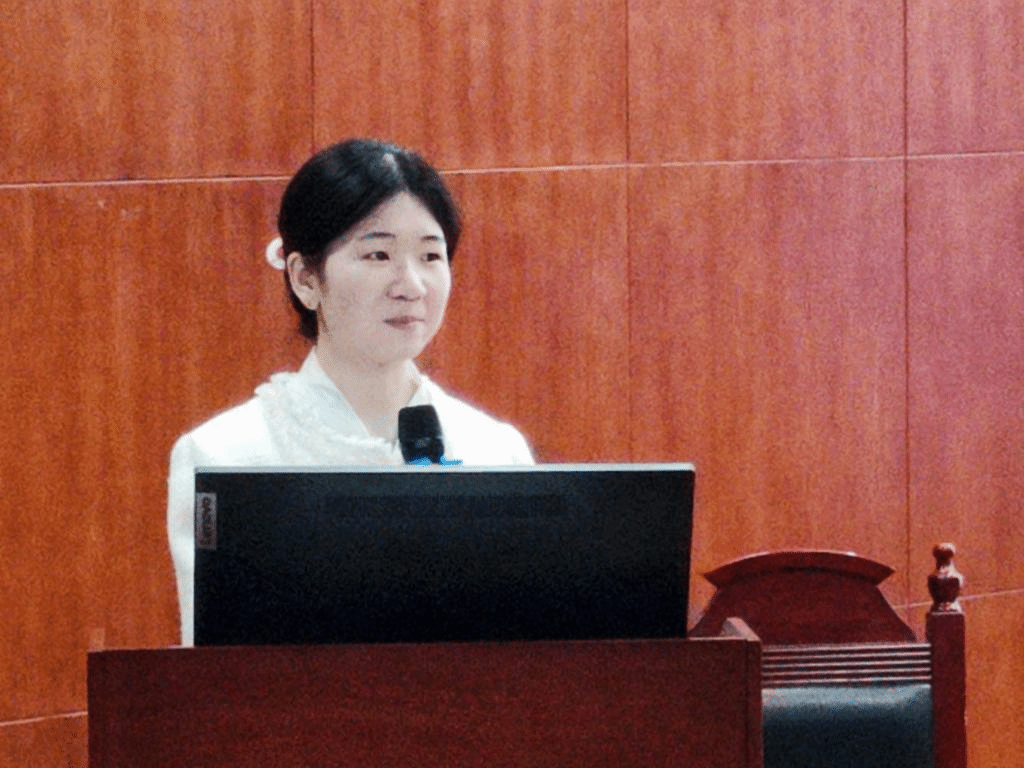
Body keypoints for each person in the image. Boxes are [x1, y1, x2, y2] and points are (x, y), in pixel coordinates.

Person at [167, 138, 534, 645]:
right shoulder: (223, 457)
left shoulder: (495, 452)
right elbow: (216, 670)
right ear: (305, 278)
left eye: (431, 255)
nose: (411, 285)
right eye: (378, 254)